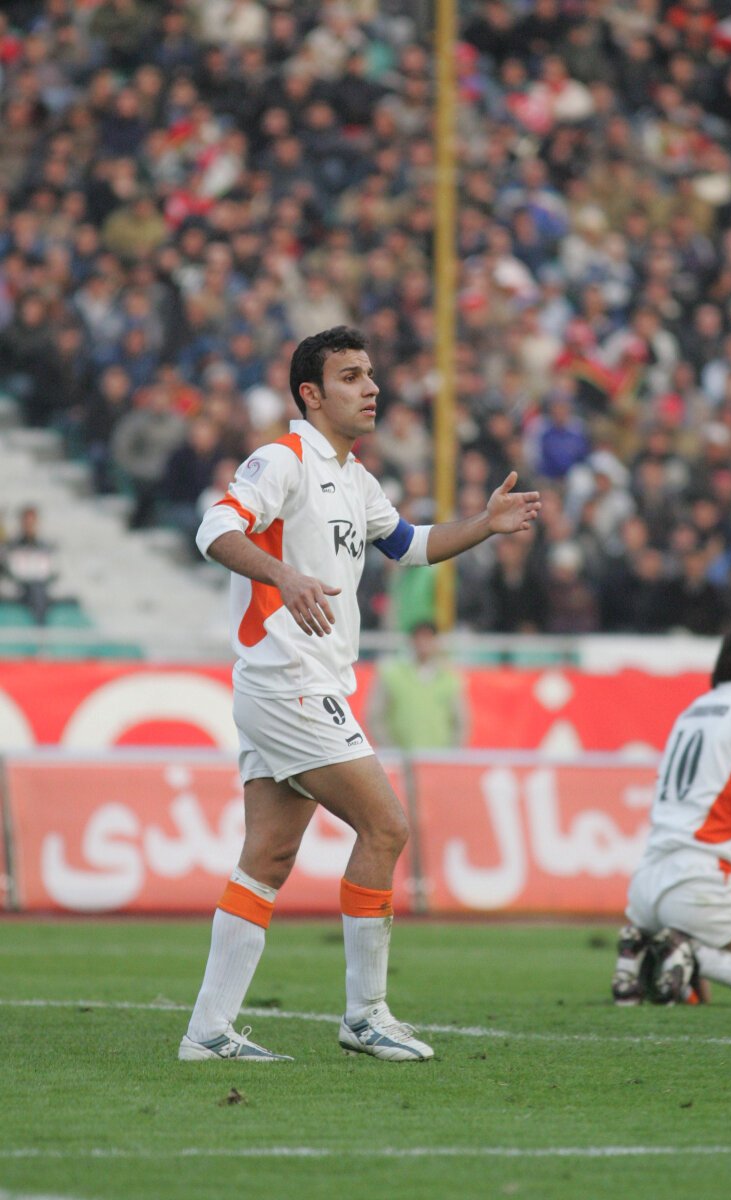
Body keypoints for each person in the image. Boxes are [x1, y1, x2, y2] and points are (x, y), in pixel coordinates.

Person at [179, 326, 541, 1063]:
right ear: (311, 394)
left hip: (297, 684)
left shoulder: (355, 477)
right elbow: (214, 528)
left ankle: (207, 1032)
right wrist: (282, 575)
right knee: (386, 827)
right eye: (351, 376)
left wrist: (484, 525)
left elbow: (410, 545)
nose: (371, 388)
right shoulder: (284, 459)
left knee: (269, 857)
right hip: (289, 681)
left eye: (371, 374)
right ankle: (366, 1014)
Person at [612, 621, 731, 1008]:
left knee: (699, 999)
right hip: (702, 884)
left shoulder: (693, 711)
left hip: (647, 884)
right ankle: (697, 954)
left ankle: (667, 953)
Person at [367, 621, 468, 752]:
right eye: (420, 637)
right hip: (402, 758)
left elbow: (461, 720)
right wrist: (390, 749)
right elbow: (375, 716)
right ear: (411, 641)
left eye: (428, 638)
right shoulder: (392, 673)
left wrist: (450, 753)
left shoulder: (449, 677)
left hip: (439, 758)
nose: (423, 643)